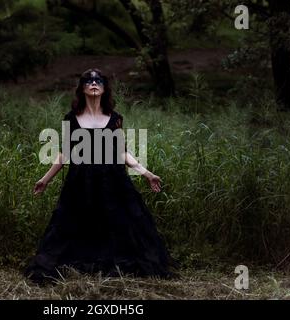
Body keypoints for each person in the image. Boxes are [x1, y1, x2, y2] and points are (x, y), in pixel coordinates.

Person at [24, 68, 179, 284]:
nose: (93, 83)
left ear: (104, 88)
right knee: (76, 221)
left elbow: (122, 152)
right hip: (81, 181)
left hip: (112, 179)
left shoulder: (114, 119)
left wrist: (146, 173)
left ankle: (115, 264)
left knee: (118, 221)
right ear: (82, 88)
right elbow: (66, 153)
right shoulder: (72, 119)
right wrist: (45, 179)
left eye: (98, 81)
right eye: (88, 81)